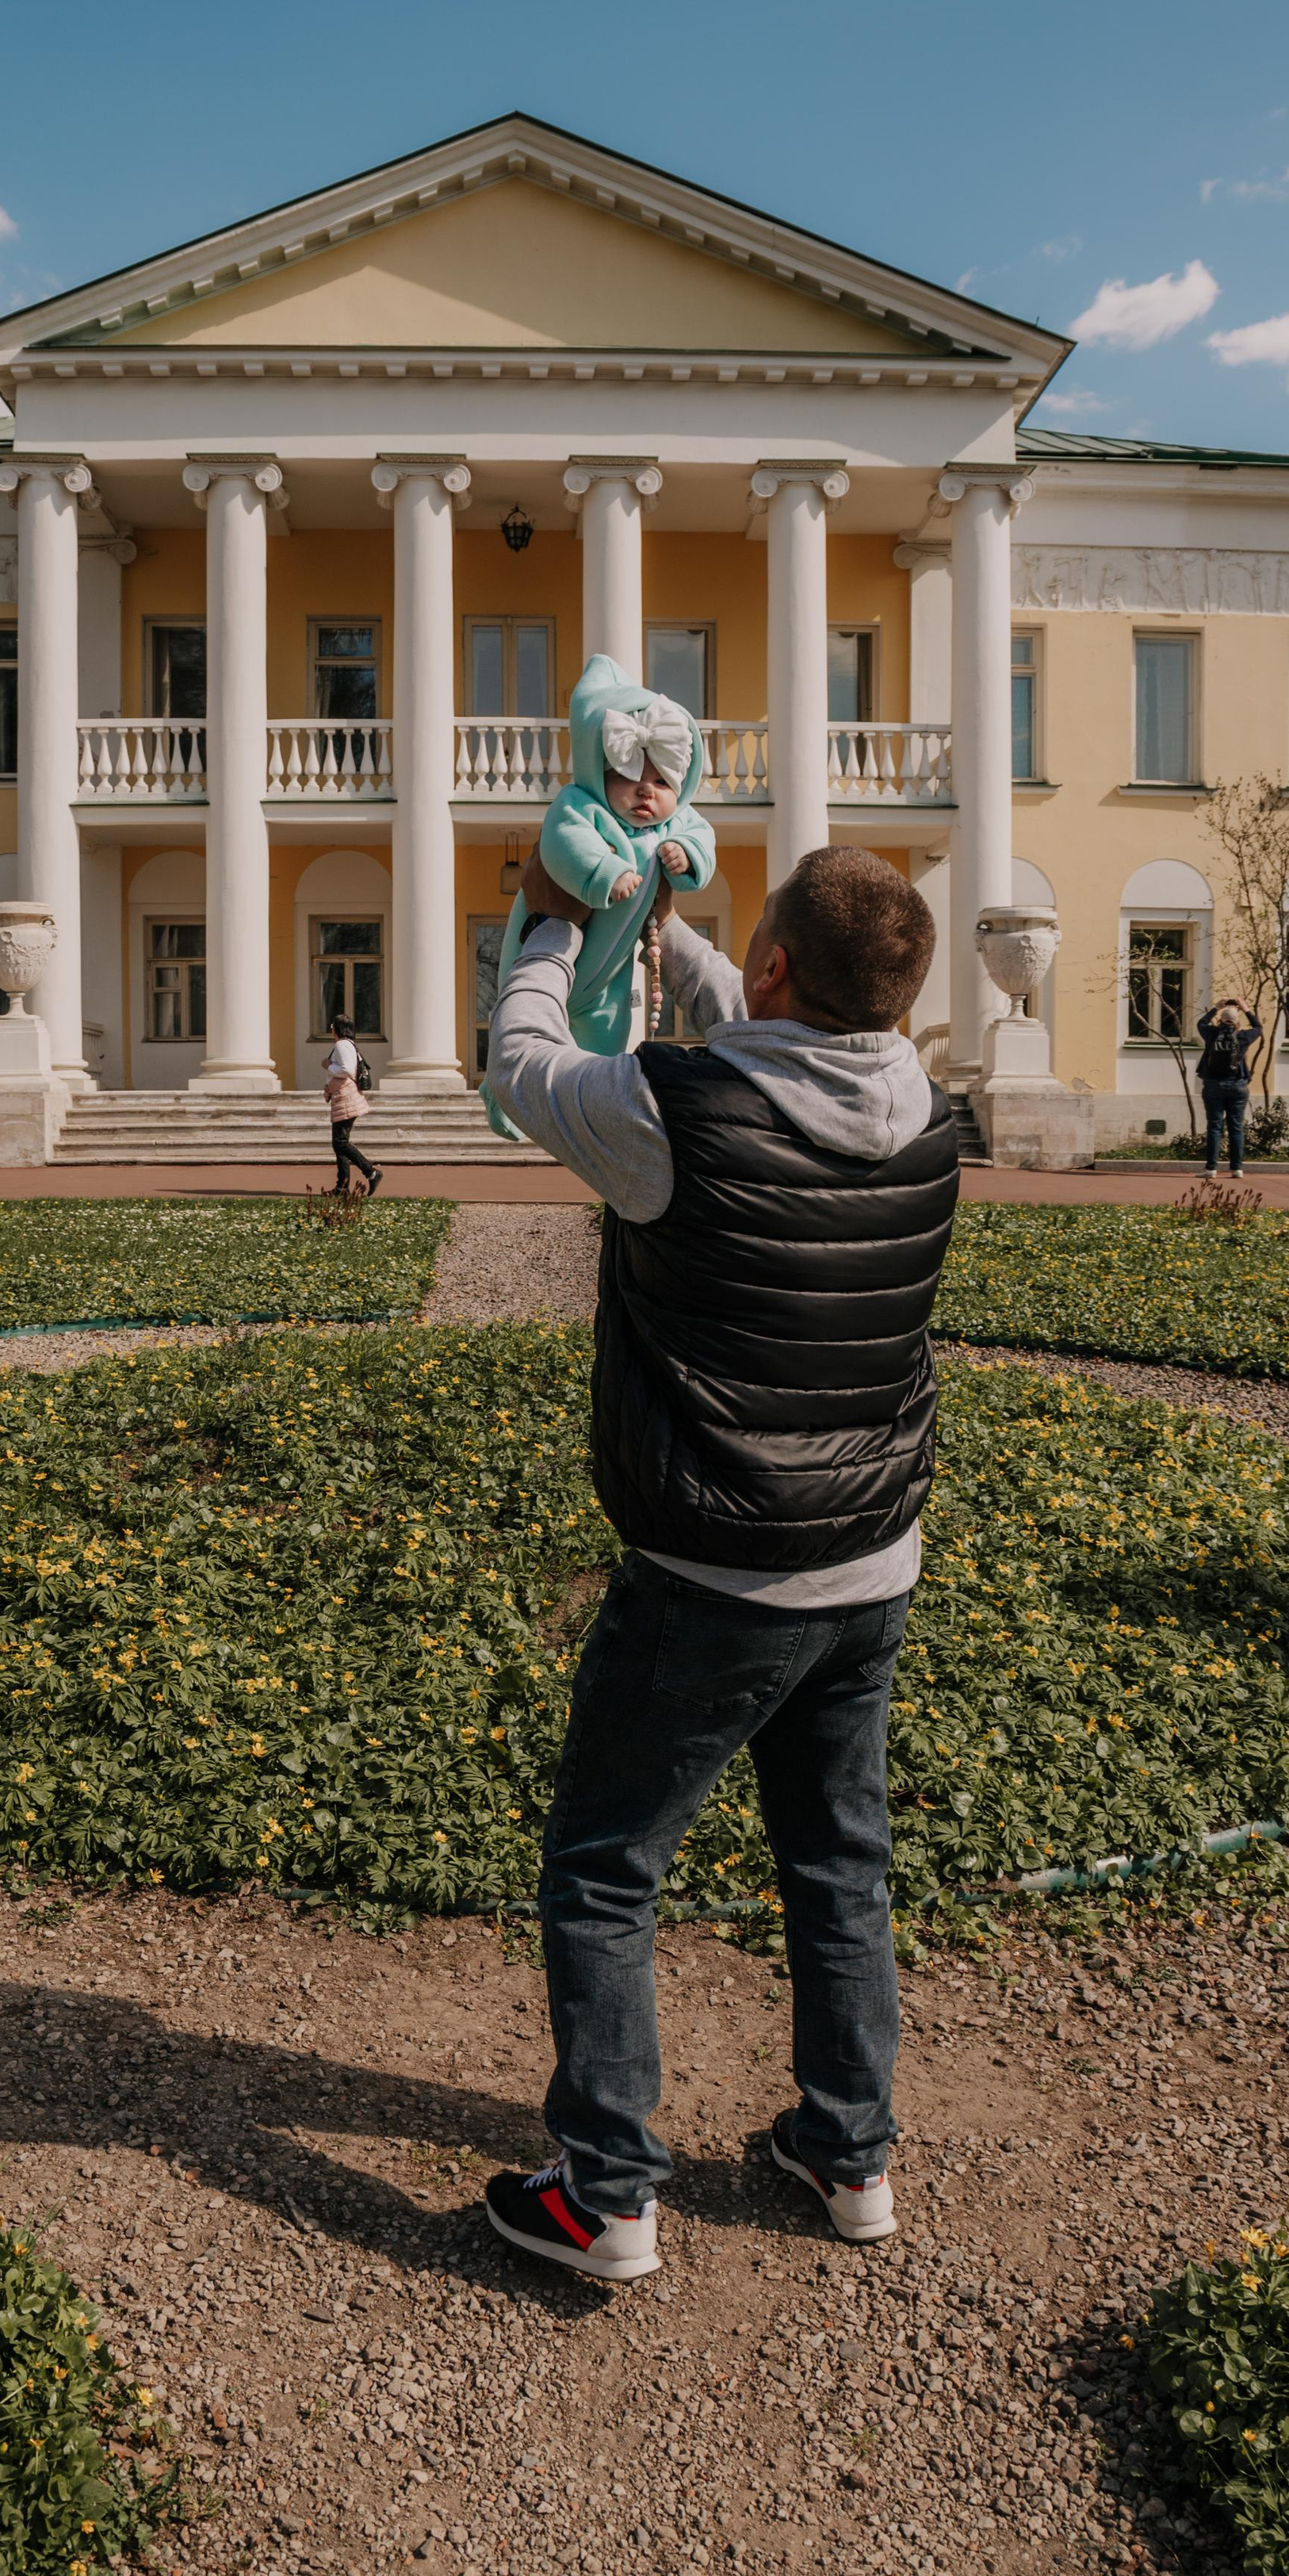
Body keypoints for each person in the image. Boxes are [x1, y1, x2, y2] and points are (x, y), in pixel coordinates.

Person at [480, 843, 958, 2282]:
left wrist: (559, 929)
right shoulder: (934, 1114)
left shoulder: (673, 1112)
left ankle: (610, 2192)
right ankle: (845, 2149)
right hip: (869, 1561)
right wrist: (677, 936)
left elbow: (519, 1067)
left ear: (774, 971)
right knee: (839, 1864)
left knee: (604, 1866)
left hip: (715, 1570)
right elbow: (779, 1033)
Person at [481, 654, 717, 1137]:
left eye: (660, 782)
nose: (646, 793)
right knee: (520, 1008)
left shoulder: (679, 823)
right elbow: (563, 843)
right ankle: (503, 1097)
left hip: (609, 976)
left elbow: (704, 840)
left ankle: (589, 1109)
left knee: (602, 1042)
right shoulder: (580, 805)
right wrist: (604, 872)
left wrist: (688, 857)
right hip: (550, 942)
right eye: (631, 778)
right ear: (600, 770)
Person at [1195, 999, 1264, 1176]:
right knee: (1236, 1128)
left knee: (1215, 1127)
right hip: (1238, 1087)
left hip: (1213, 1086)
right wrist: (1247, 1009)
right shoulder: (1243, 1037)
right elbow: (1259, 1028)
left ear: (1220, 1020)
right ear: (1237, 1022)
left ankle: (1211, 1169)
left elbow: (1201, 1023)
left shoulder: (1211, 1033)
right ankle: (1237, 1169)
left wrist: (1216, 1007)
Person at [322, 1020, 381, 1196]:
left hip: (346, 1097)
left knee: (340, 1143)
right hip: (344, 1097)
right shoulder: (348, 1044)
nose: (331, 1028)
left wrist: (328, 1066)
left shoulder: (342, 1044)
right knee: (339, 1144)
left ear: (339, 1028)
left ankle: (371, 1172)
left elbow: (347, 1070)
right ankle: (342, 1187)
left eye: (333, 1025)